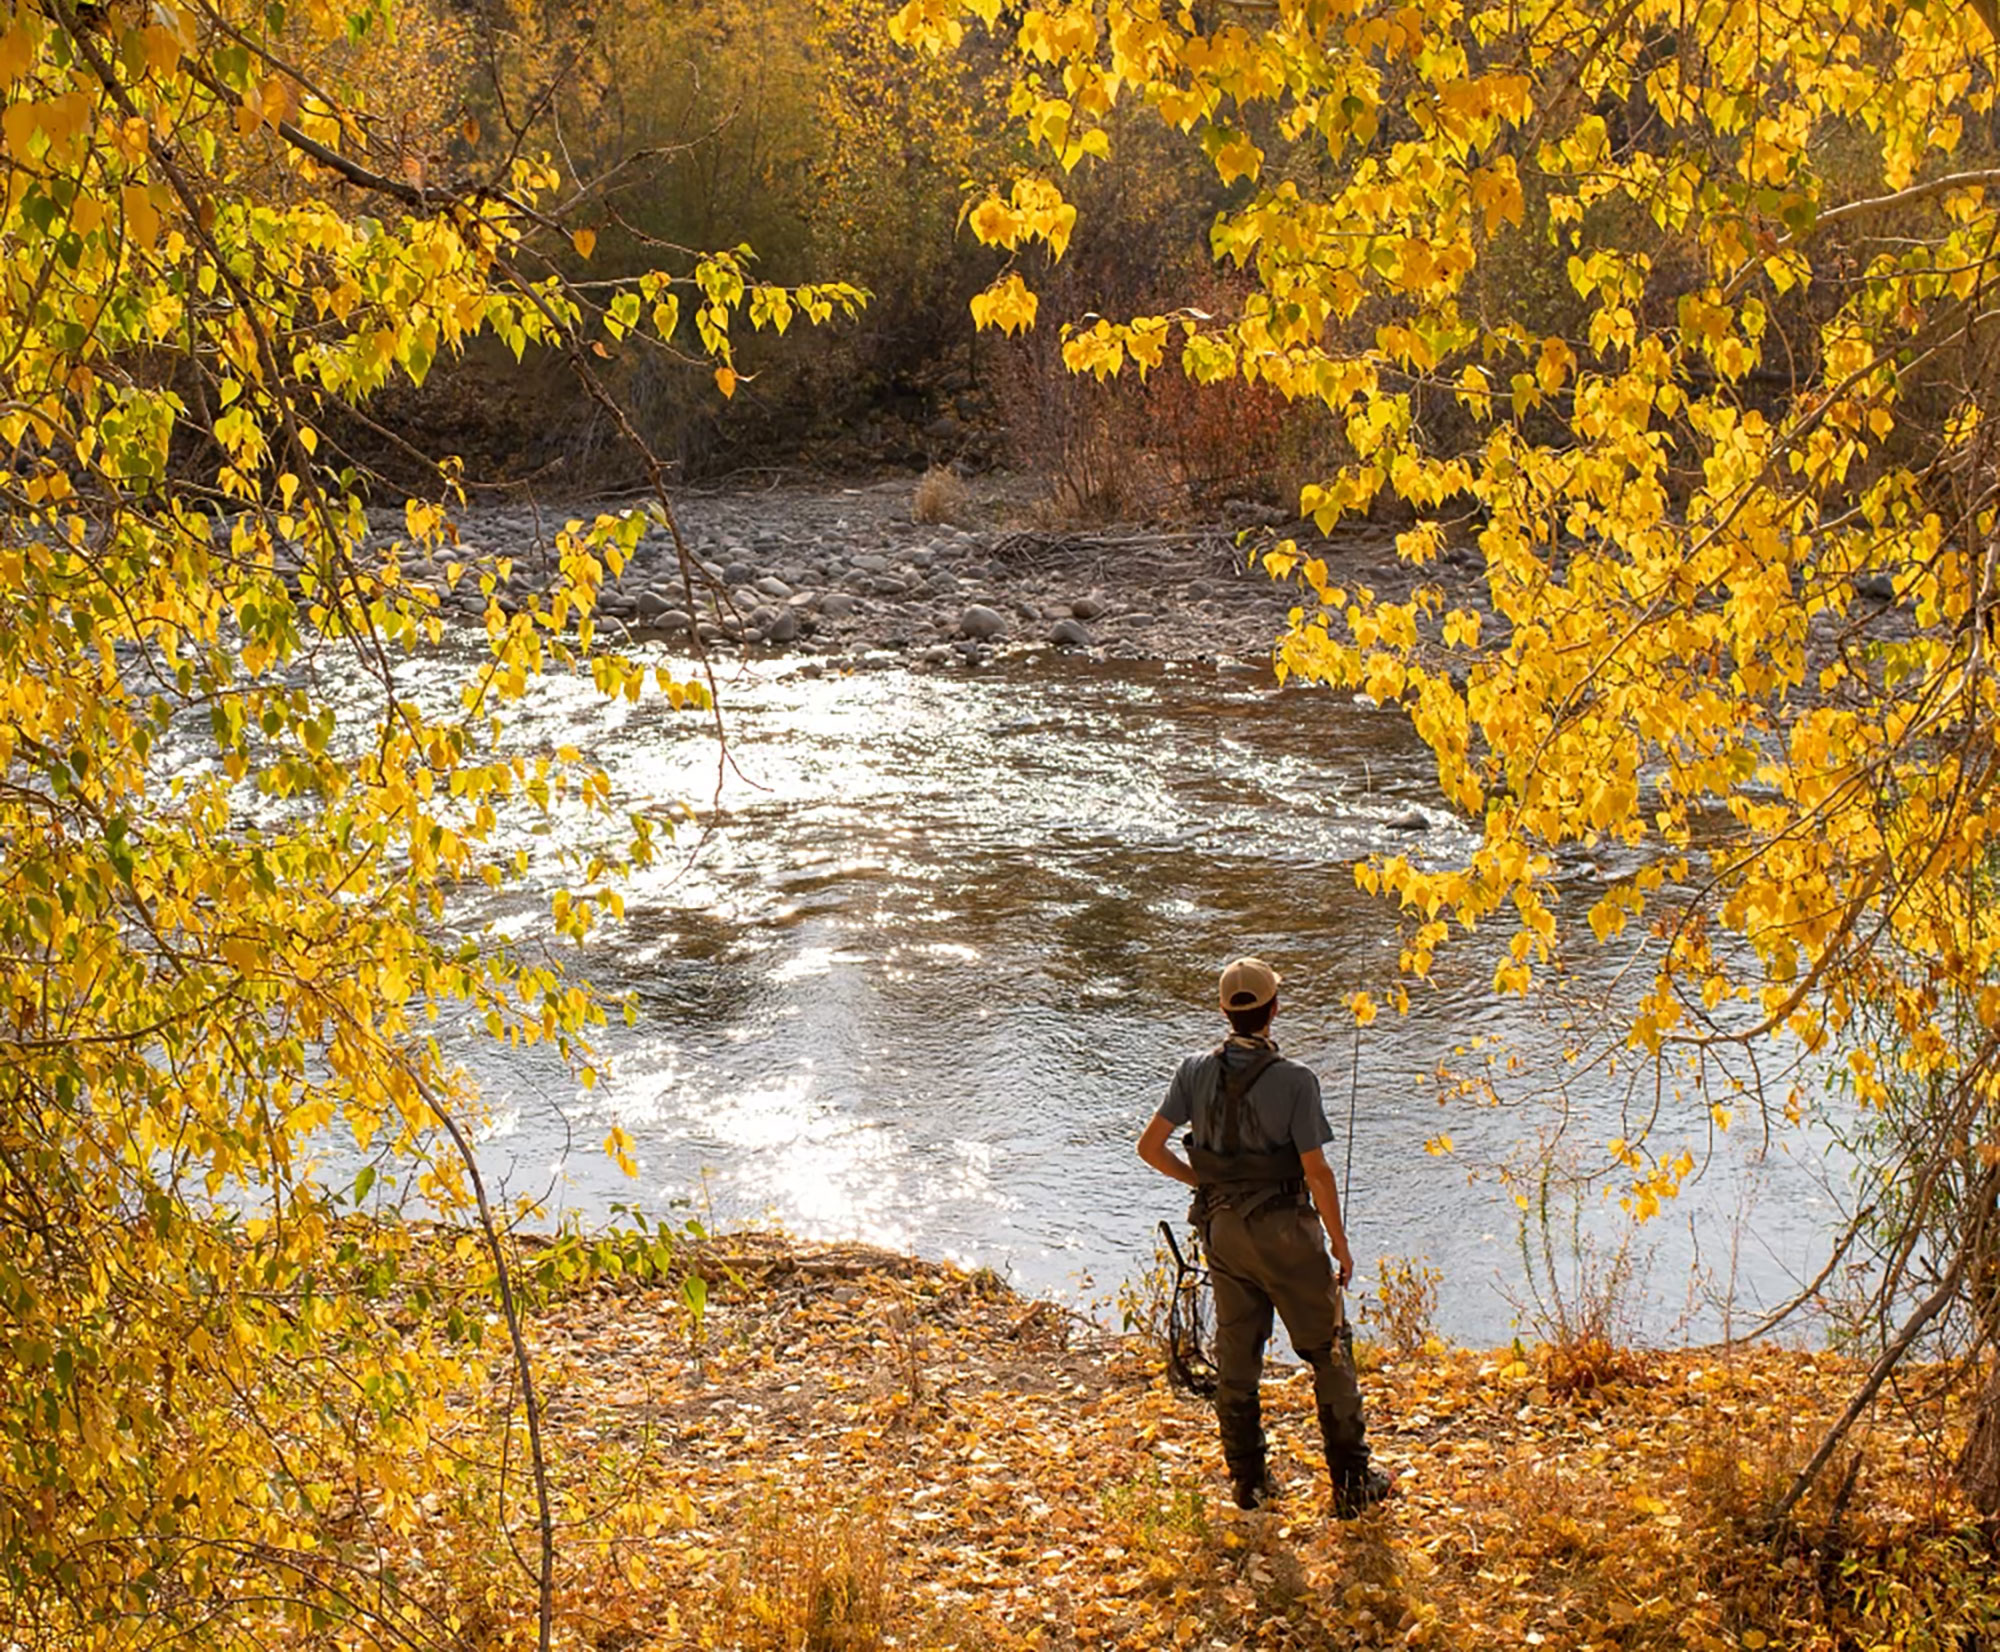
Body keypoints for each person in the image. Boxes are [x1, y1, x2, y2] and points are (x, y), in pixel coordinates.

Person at [1136, 956, 1393, 1518]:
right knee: (1328, 1349)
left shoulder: (1190, 1071)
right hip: (1286, 1236)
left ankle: (1250, 1485)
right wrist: (1340, 1245)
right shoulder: (1298, 1081)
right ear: (1274, 1009)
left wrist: (1200, 1179)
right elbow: (1318, 1173)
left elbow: (1150, 1149)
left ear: (1225, 1011)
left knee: (1238, 1355)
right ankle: (1352, 1485)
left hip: (1222, 1231)